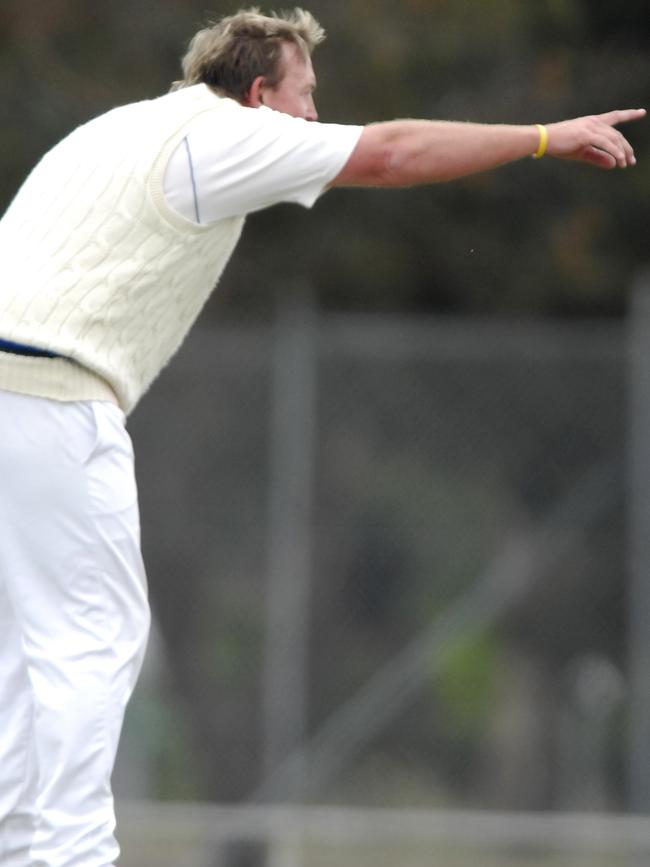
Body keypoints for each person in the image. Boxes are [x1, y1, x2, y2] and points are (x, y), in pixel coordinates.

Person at [0, 6, 644, 866]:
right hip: (47, 395)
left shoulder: (119, 129)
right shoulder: (224, 131)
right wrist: (540, 137)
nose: (315, 118)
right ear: (259, 92)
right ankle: (67, 855)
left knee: (26, 647)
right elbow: (391, 152)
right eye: (307, 95)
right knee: (93, 636)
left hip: (17, 388)